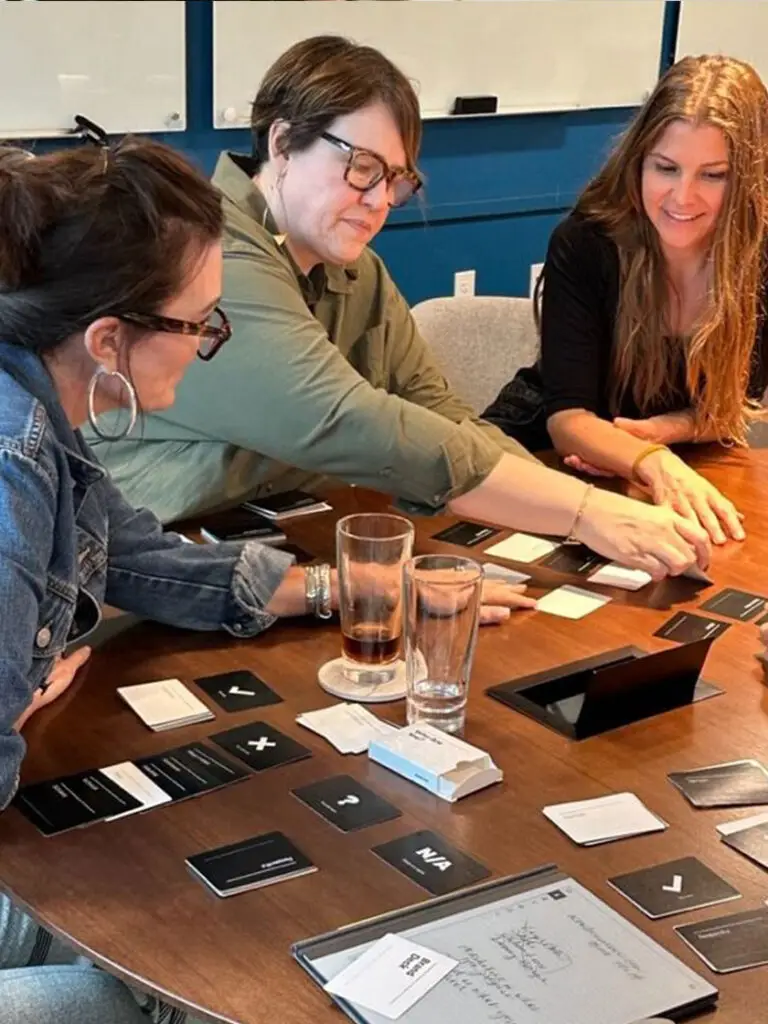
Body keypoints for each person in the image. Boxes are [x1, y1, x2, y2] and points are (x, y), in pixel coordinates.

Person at [0, 137, 557, 1021]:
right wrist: (20, 699)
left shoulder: (38, 414)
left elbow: (148, 561)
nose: (213, 346)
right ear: (108, 339)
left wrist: (361, 591)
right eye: (201, 324)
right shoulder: (12, 467)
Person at [89, 35, 709, 582]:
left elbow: (437, 409)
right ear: (282, 143)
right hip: (132, 572)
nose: (380, 200)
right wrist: (584, 511)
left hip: (271, 548)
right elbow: (347, 420)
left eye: (397, 178)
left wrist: (571, 506)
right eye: (362, 168)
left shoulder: (357, 270)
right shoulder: (208, 254)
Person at [483, 54, 768, 547]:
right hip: (543, 454)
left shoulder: (757, 256)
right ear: (639, 160)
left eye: (713, 175)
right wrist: (650, 460)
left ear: (748, 180)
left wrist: (663, 433)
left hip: (680, 469)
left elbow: (737, 404)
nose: (683, 197)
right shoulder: (587, 241)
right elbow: (568, 420)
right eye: (666, 168)